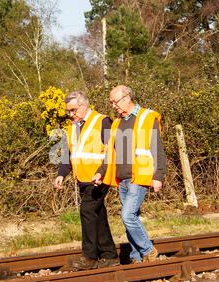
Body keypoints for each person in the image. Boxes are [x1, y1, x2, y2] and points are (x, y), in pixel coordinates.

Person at [92, 85, 166, 263]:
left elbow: (158, 150)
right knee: (129, 219)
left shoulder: (147, 117)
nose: (113, 106)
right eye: (111, 102)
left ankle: (149, 250)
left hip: (139, 177)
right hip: (122, 179)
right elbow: (110, 152)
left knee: (128, 216)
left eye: (114, 102)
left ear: (126, 98)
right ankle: (136, 256)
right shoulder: (117, 122)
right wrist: (101, 172)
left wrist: (159, 176)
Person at [53, 91, 119, 270]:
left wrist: (101, 172)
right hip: (82, 178)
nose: (70, 114)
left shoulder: (102, 121)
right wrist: (61, 174)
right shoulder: (73, 126)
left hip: (98, 177)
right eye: (68, 111)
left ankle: (89, 256)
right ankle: (109, 254)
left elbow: (110, 151)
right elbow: (69, 153)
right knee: (97, 213)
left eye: (73, 110)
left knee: (87, 211)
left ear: (83, 106)